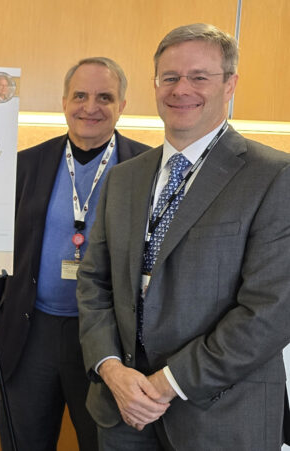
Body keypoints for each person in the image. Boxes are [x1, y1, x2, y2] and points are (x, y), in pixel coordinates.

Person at [77, 23, 290, 450]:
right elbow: (93, 283)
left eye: (199, 77)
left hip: (219, 416)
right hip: (123, 411)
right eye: (170, 77)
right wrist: (112, 370)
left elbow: (270, 310)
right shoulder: (124, 178)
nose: (181, 89)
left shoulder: (274, 176)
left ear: (230, 84)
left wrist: (167, 383)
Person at [0, 57, 150, 451]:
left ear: (122, 105)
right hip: (31, 331)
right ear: (64, 101)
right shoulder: (26, 164)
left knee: (103, 443)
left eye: (105, 97)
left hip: (109, 339)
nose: (91, 107)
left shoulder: (147, 168)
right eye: (80, 96)